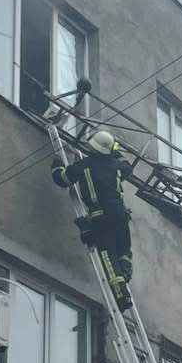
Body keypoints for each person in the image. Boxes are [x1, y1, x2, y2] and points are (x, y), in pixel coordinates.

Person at [53, 129, 134, 311]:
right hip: (121, 217)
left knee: (108, 256)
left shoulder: (84, 165)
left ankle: (121, 295)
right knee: (123, 251)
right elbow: (128, 167)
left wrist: (57, 162)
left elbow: (62, 179)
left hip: (101, 219)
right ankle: (125, 273)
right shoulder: (117, 166)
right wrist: (116, 152)